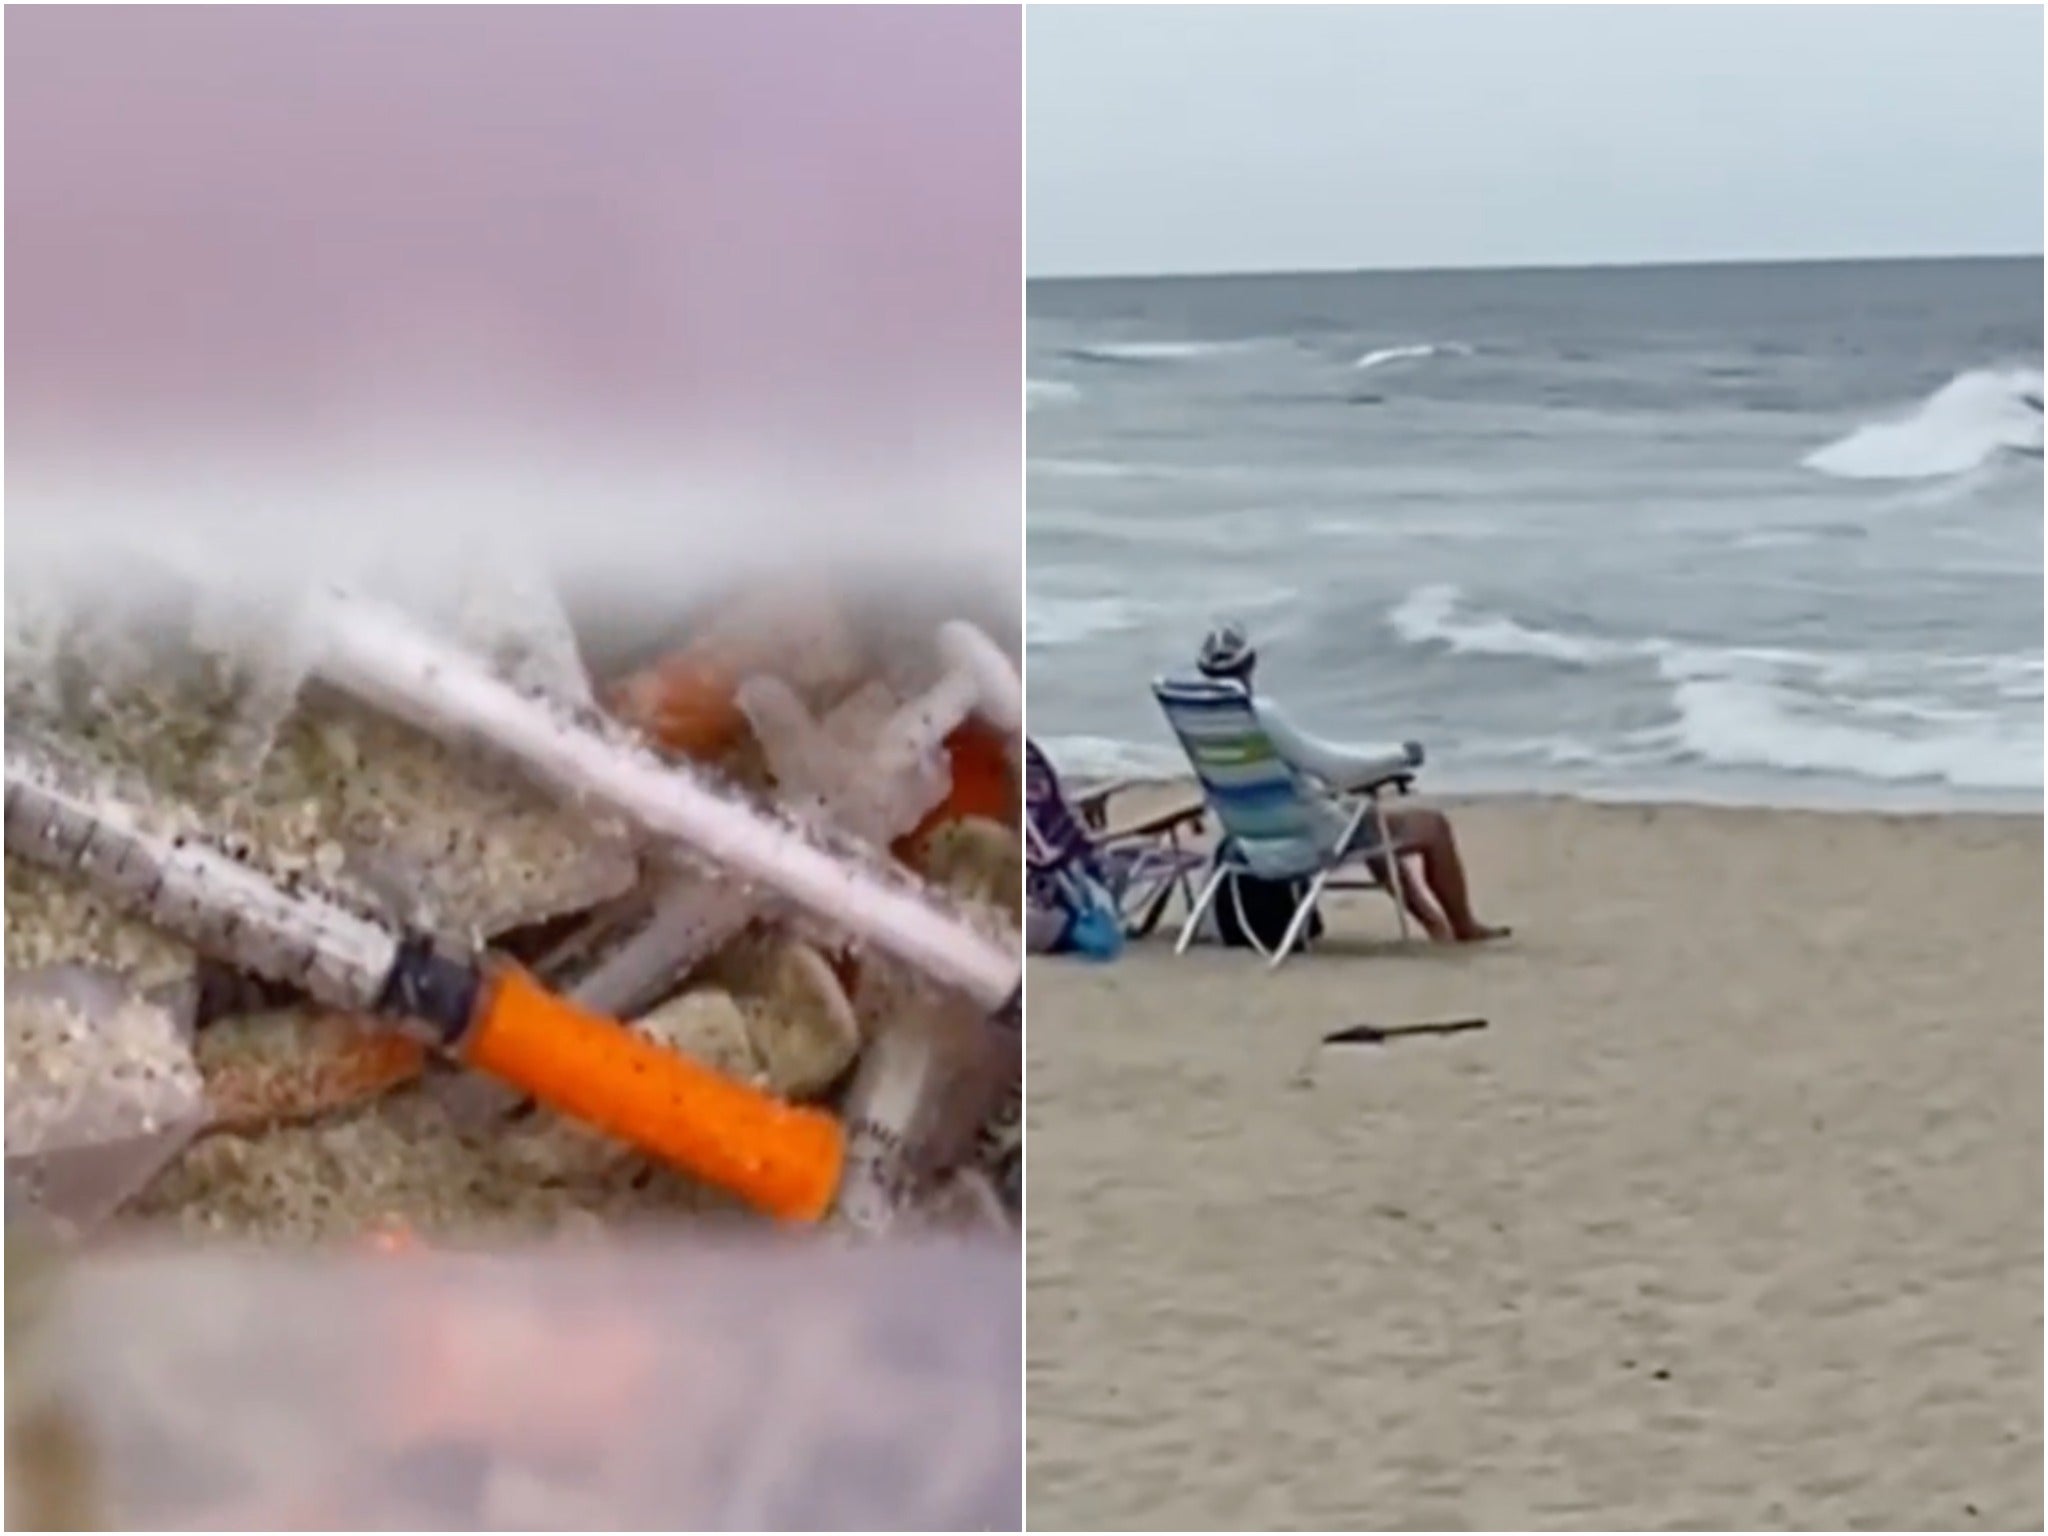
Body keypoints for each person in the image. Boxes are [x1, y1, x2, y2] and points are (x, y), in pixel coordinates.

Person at [1194, 622, 1508, 944]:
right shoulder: (1260, 716)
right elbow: (1336, 769)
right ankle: (1464, 927)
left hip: (1247, 840)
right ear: (1251, 663)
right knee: (1432, 827)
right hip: (1303, 838)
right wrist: (1400, 756)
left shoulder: (1200, 720)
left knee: (1366, 817)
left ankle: (1434, 924)